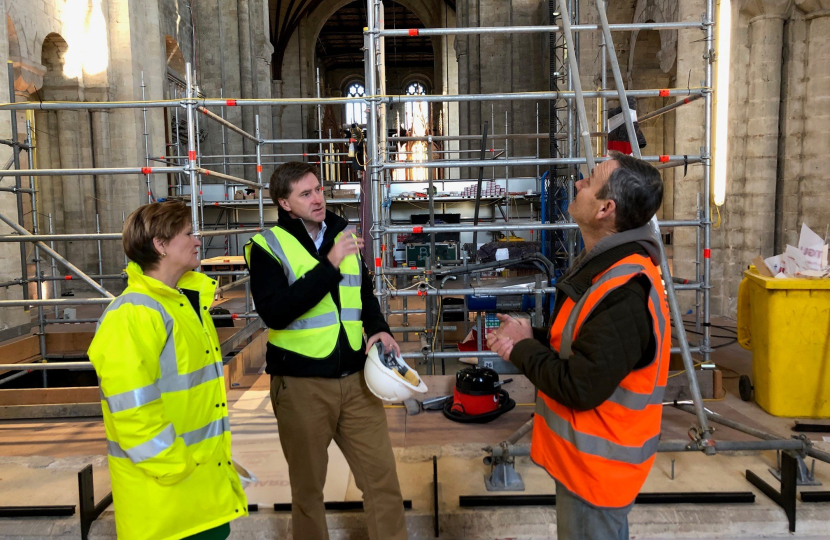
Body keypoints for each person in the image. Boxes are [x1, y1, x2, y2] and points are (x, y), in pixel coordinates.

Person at [487, 151, 670, 540]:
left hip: (598, 476)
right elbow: (582, 344)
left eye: (590, 180)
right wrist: (529, 336)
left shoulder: (625, 289)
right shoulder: (607, 268)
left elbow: (580, 385)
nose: (578, 183)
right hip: (586, 468)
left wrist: (522, 349)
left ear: (606, 208)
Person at [244, 162, 407, 540]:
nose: (318, 199)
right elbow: (276, 314)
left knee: (382, 480)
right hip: (301, 387)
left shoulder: (342, 233)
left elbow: (363, 295)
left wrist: (379, 330)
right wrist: (329, 264)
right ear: (284, 203)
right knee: (308, 493)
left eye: (318, 189)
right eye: (306, 194)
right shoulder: (267, 246)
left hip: (356, 381)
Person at [88, 201, 248, 540]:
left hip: (201, 496)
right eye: (188, 233)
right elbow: (133, 415)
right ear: (160, 245)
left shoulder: (185, 305)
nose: (197, 240)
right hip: (165, 505)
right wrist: (179, 466)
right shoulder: (132, 316)